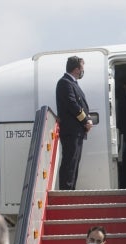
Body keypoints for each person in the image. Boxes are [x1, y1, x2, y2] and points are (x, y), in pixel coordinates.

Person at [56, 55, 93, 190]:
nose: (83, 71)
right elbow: (73, 105)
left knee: (75, 163)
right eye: (82, 68)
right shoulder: (64, 83)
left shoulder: (73, 84)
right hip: (71, 131)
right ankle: (66, 191)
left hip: (77, 131)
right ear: (76, 69)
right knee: (69, 162)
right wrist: (85, 120)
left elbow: (80, 104)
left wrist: (87, 120)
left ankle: (70, 190)